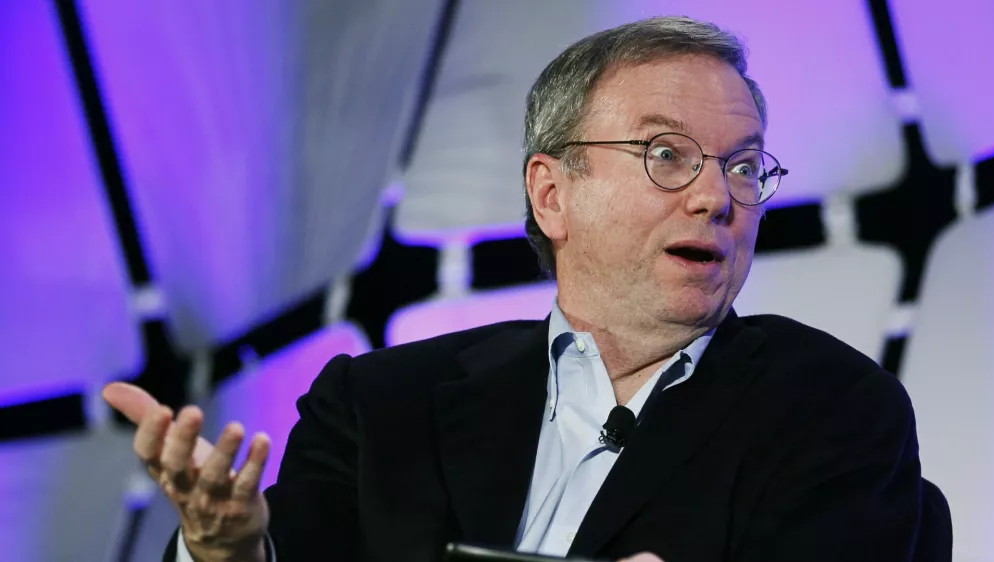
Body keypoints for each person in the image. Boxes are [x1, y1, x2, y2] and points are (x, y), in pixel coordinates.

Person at [104, 16, 925, 562]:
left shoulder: (830, 409)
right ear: (551, 192)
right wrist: (226, 549)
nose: (716, 197)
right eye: (667, 155)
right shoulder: (383, 401)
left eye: (744, 165)